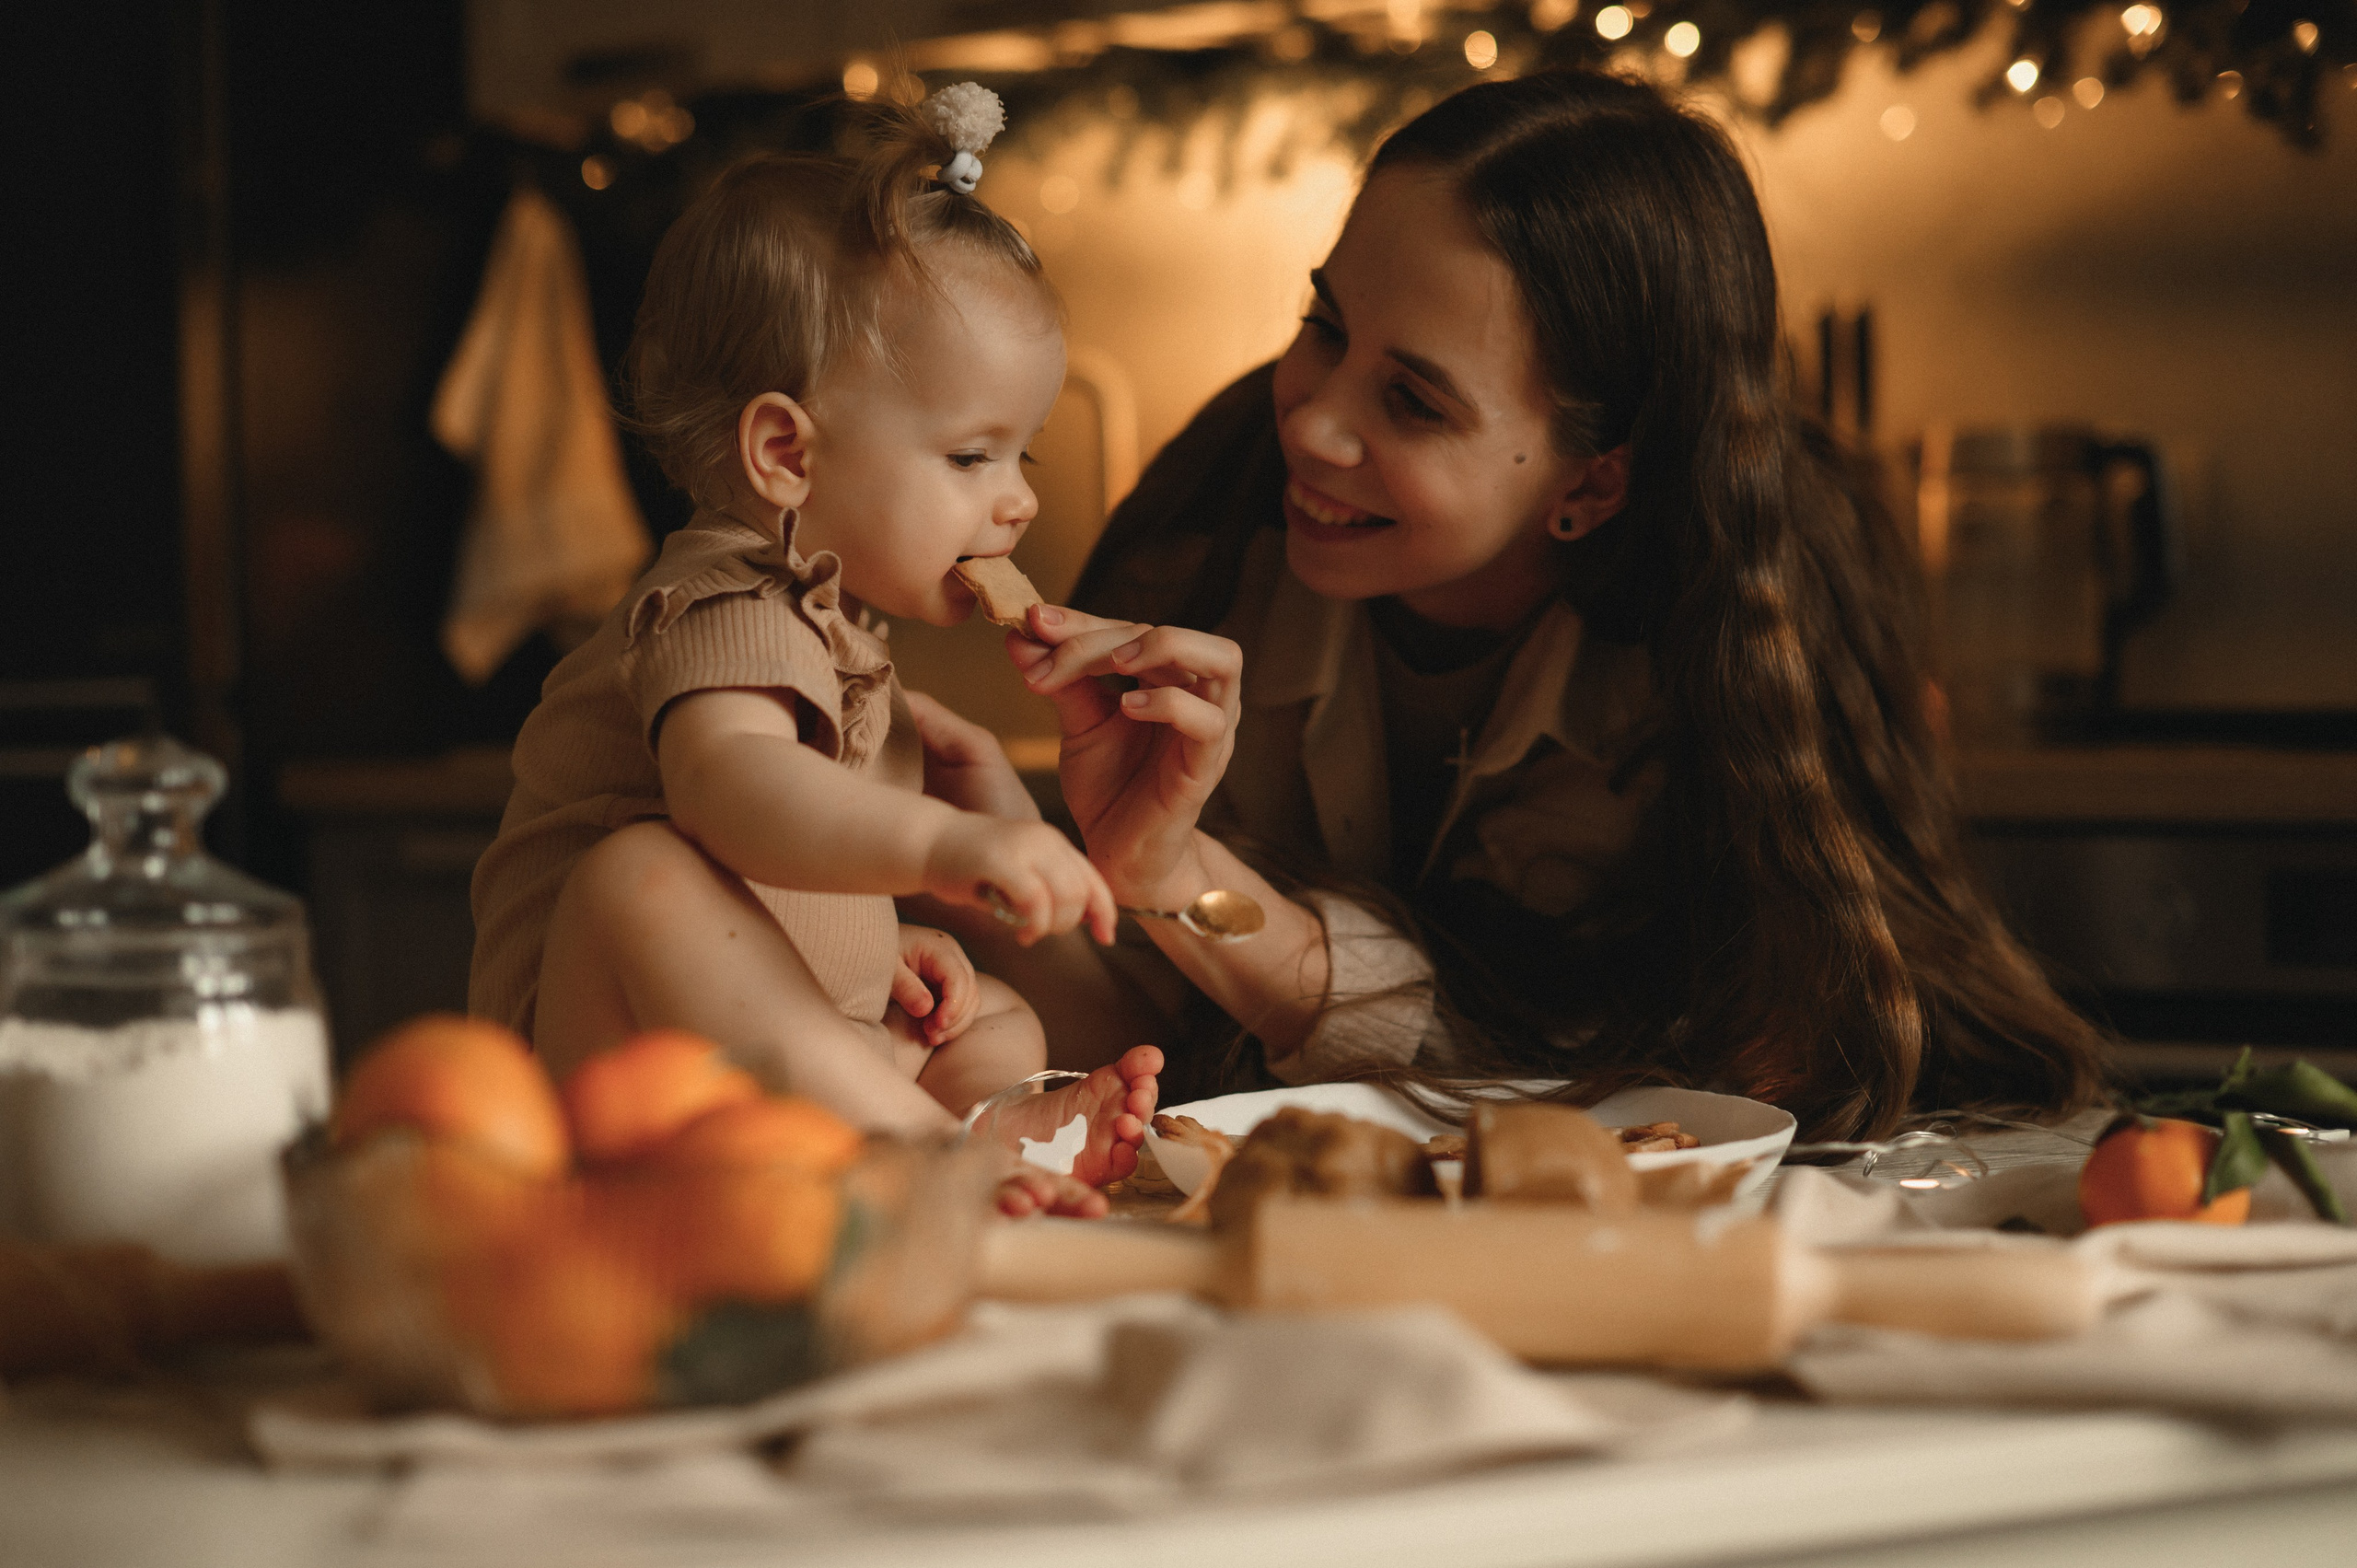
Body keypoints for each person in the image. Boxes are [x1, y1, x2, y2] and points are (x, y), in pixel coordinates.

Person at [951, 70, 2108, 1143]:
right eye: (1324, 327)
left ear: (1592, 483)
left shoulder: (1729, 644)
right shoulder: (1210, 535)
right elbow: (1153, 1044)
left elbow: (1636, 1095)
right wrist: (992, 862)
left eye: (1413, 401)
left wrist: (1182, 878)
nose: (1310, 421)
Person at [465, 88, 1164, 1214]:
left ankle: (973, 1146)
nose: (1019, 501)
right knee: (636, 877)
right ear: (786, 453)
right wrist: (946, 845)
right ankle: (938, 1161)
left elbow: (769, 885)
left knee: (988, 1012)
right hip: (597, 1086)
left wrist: (871, 948)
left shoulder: (831, 632)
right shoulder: (725, 596)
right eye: (973, 457)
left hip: (743, 1084)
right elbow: (733, 794)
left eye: (1022, 455)